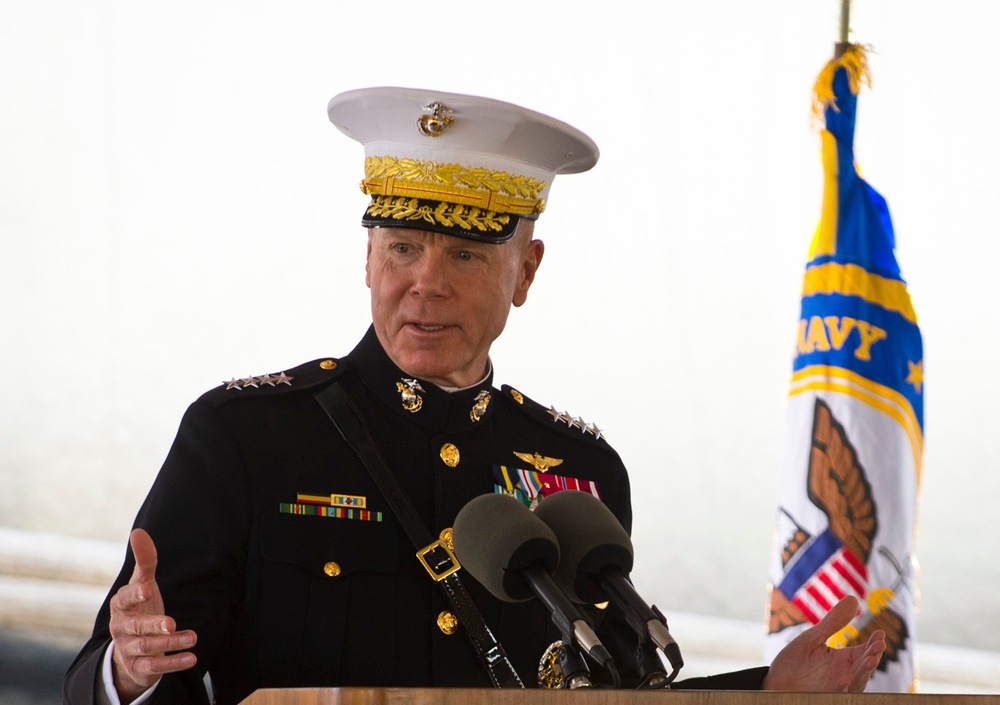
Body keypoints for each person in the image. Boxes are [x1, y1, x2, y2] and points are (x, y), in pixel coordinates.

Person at [64, 87, 886, 705]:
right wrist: (125, 670)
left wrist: (768, 694)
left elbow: (605, 691)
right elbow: (95, 682)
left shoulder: (581, 474)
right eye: (403, 247)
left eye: (464, 255)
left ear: (525, 272)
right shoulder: (245, 437)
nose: (426, 284)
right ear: (367, 261)